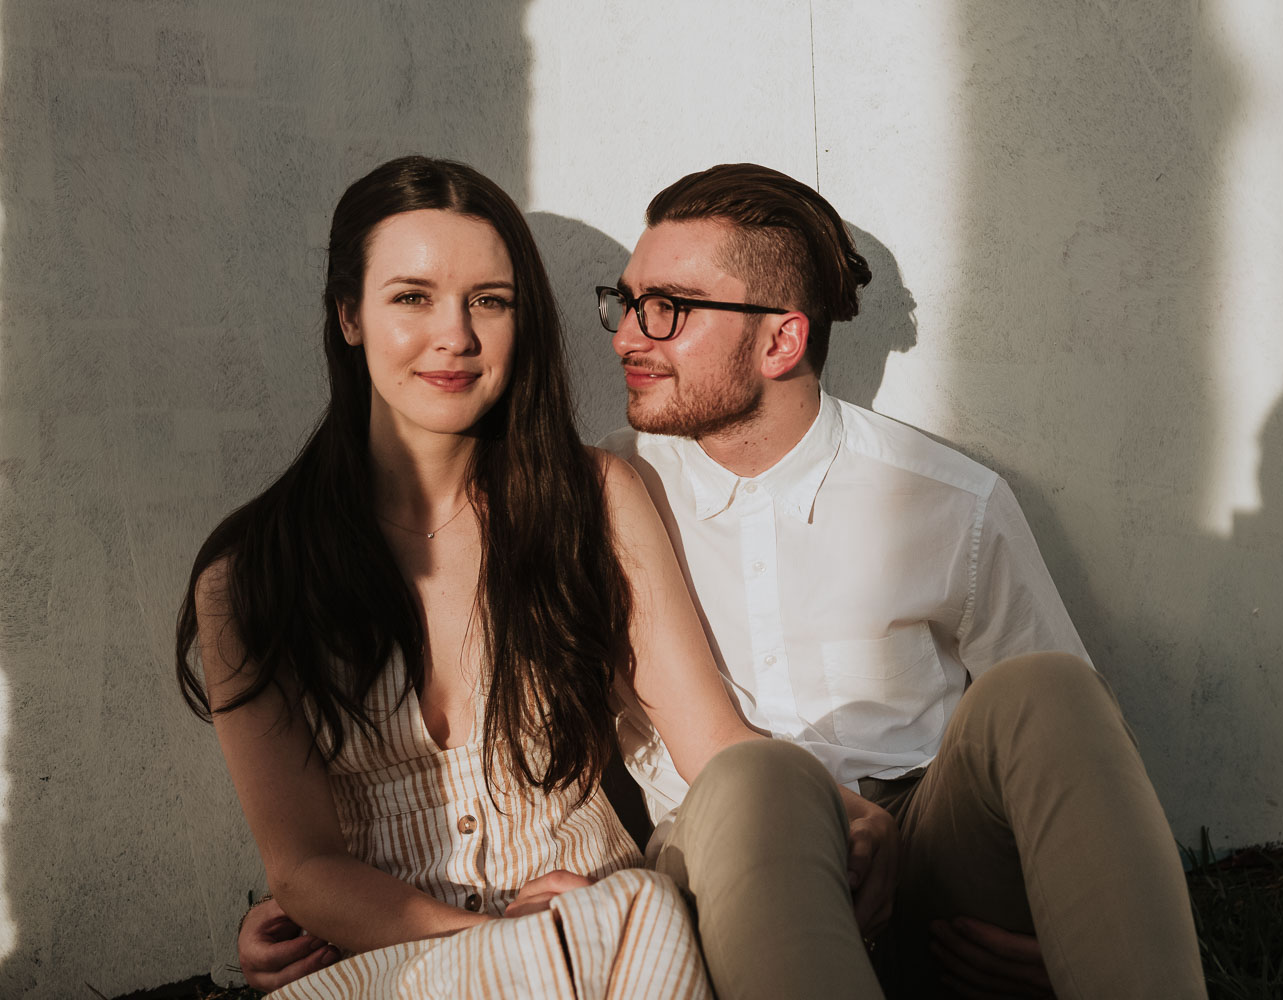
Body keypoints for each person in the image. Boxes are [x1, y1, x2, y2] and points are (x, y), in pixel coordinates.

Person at [178, 156, 892, 1000]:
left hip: (609, 937)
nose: (457, 335)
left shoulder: (594, 502)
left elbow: (714, 742)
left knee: (646, 917)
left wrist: (837, 808)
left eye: (491, 300)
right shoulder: (250, 577)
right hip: (392, 966)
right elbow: (303, 866)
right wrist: (497, 940)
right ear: (349, 315)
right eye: (412, 297)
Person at [592, 163, 1209, 1000]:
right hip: (723, 854)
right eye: (626, 302)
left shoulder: (949, 498)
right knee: (758, 778)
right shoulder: (604, 499)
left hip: (926, 856)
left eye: (667, 309)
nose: (629, 335)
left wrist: (1075, 928)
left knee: (1051, 689)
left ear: (782, 340)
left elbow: (1069, 753)